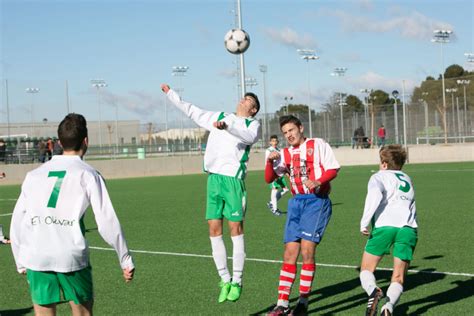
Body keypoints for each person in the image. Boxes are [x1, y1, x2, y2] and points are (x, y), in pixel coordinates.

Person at [10, 113, 135, 315]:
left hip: (36, 255)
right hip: (70, 255)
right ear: (86, 141)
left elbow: (18, 221)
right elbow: (106, 220)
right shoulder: (88, 174)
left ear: (59, 142)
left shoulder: (33, 175)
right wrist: (125, 258)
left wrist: (20, 259)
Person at [161, 84, 261, 303]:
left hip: (233, 180)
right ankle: (224, 279)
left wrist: (227, 128)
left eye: (248, 101)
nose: (243, 101)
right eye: (243, 98)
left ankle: (237, 280)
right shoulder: (221, 116)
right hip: (213, 179)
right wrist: (171, 94)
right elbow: (192, 111)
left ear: (253, 110)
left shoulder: (252, 124)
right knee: (214, 228)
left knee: (235, 228)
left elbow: (247, 137)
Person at [265, 115, 340, 315]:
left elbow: (333, 168)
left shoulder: (317, 144)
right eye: (285, 133)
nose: (288, 135)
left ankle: (303, 302)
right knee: (289, 253)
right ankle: (282, 303)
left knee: (307, 251)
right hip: (296, 203)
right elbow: (268, 178)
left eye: (291, 130)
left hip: (316, 202)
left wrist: (318, 181)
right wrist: (269, 162)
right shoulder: (285, 153)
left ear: (301, 128)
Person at [359, 145, 417, 316]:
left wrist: (364, 222)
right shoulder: (407, 177)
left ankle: (373, 291)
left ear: (384, 164)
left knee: (366, 270)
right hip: (409, 228)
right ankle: (388, 307)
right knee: (398, 277)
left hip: (385, 226)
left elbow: (374, 196)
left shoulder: (378, 176)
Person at [265, 135, 290, 216]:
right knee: (274, 189)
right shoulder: (269, 150)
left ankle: (271, 203)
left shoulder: (279, 150)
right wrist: (271, 173)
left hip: (280, 174)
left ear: (278, 142)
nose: (274, 142)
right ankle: (274, 209)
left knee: (285, 190)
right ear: (270, 142)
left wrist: (285, 171)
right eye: (272, 141)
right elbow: (267, 162)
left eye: (276, 141)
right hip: (273, 174)